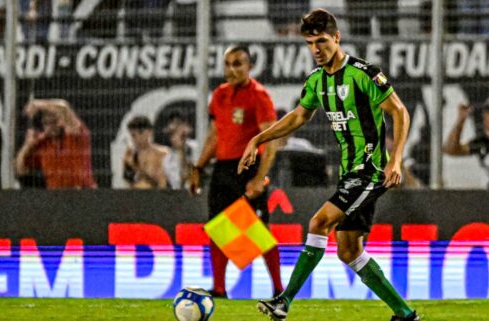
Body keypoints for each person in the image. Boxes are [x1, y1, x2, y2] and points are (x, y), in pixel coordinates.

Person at [238, 9, 419, 321]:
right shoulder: (316, 81)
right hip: (349, 173)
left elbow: (399, 111)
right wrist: (258, 139)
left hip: (370, 170)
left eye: (321, 41)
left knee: (318, 222)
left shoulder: (363, 73)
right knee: (348, 250)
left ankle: (284, 301)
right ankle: (405, 314)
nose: (316, 49)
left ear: (337, 38)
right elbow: (298, 116)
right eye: (310, 43)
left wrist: (396, 160)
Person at [190, 45, 284, 299]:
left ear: (249, 67)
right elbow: (214, 135)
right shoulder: (219, 95)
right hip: (222, 168)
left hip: (249, 168)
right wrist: (198, 166)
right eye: (228, 64)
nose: (232, 69)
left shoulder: (259, 96)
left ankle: (279, 289)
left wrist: (259, 178)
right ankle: (219, 288)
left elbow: (271, 141)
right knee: (218, 227)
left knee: (258, 231)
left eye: (238, 63)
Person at [15, 99, 97, 189]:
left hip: (83, 194)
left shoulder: (76, 136)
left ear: (62, 121)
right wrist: (27, 146)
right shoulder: (43, 144)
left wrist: (38, 104)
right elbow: (20, 169)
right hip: (57, 197)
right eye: (47, 123)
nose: (53, 126)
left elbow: (64, 109)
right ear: (43, 124)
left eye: (55, 121)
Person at [123, 116, 169, 189]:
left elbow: (163, 183)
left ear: (149, 132)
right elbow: (128, 181)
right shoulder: (129, 155)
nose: (138, 138)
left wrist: (142, 173)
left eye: (141, 133)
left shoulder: (162, 154)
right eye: (133, 135)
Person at [162, 112, 195, 190]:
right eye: (172, 133)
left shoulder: (197, 149)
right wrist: (181, 152)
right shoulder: (168, 160)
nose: (177, 135)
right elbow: (178, 185)